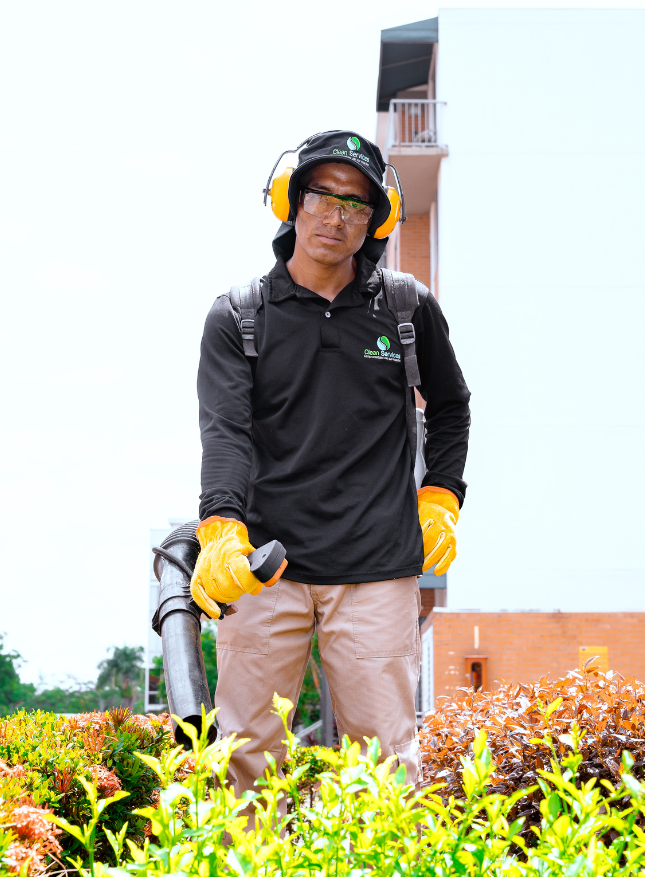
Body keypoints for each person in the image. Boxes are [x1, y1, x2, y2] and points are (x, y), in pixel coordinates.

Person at [192, 130, 470, 795]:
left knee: (385, 765)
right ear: (292, 201)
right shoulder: (239, 316)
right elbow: (226, 432)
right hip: (265, 568)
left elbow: (452, 406)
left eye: (356, 204)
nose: (336, 216)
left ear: (376, 221)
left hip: (375, 568)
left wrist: (440, 497)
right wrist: (222, 527)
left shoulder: (405, 309)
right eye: (322, 195)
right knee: (247, 758)